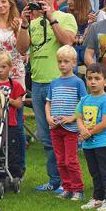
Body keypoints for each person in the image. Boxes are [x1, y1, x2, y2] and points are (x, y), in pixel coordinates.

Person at [16, 0, 78, 193]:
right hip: (39, 82)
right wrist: (24, 23)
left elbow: (68, 41)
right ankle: (55, 179)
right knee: (46, 136)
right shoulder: (32, 23)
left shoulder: (65, 17)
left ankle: (67, 180)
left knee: (63, 132)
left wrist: (50, 17)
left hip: (60, 83)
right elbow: (21, 48)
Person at [76, 63, 106, 211]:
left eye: (97, 78)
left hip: (102, 143)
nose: (93, 82)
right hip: (88, 144)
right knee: (94, 172)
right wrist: (82, 129)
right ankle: (98, 197)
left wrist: (90, 132)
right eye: (89, 78)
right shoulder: (85, 100)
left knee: (105, 171)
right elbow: (79, 118)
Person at [45, 46, 86, 201]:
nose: (62, 65)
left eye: (66, 62)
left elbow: (83, 103)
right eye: (60, 61)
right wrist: (49, 117)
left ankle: (78, 189)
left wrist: (72, 118)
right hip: (55, 127)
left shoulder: (78, 82)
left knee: (71, 159)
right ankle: (67, 187)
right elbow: (48, 103)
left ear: (74, 63)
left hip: (70, 128)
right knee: (60, 160)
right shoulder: (54, 83)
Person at [0, 51, 26, 178]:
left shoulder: (15, 84)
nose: (0, 70)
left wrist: (8, 99)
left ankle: (15, 173)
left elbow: (19, 104)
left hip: (10, 122)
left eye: (3, 67)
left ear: (10, 67)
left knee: (12, 148)